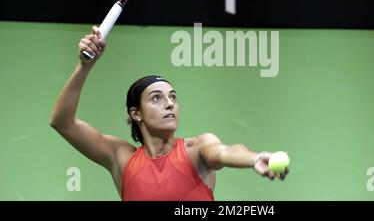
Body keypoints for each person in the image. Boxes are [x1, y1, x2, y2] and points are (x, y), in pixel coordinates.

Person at [50, 26, 289, 201]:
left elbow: (227, 151)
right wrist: (85, 66)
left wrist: (255, 158)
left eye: (173, 97)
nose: (169, 104)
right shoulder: (121, 158)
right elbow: (62, 122)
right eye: (157, 98)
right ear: (136, 114)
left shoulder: (197, 150)